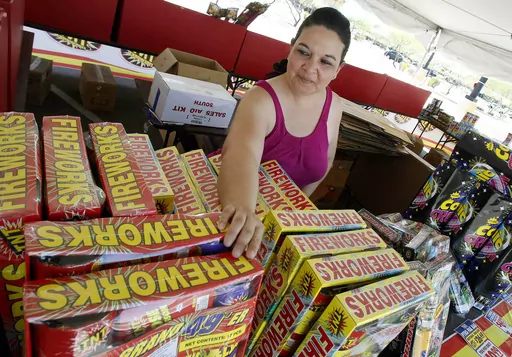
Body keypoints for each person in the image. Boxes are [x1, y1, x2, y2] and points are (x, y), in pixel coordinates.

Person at [217, 7, 351, 259]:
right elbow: (240, 157)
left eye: (325, 61)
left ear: (338, 70)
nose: (310, 68)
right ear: (290, 49)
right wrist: (243, 209)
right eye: (303, 52)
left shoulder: (335, 106)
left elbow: (323, 164)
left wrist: (290, 216)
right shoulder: (260, 99)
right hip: (233, 217)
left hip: (276, 229)